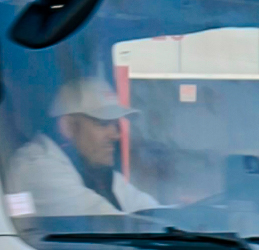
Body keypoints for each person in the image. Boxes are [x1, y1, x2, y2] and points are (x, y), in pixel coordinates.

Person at [9, 75, 158, 219]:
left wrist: (177, 215)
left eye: (115, 124)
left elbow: (150, 212)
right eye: (103, 123)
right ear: (68, 127)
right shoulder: (36, 167)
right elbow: (109, 225)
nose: (115, 135)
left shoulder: (97, 172)